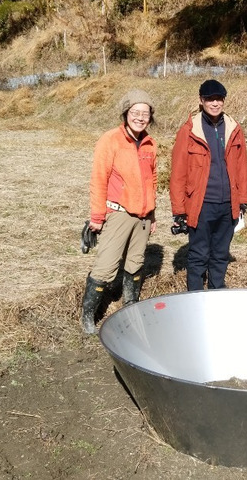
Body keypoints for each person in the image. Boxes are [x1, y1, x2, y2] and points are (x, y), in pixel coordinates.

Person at [81, 89, 158, 334]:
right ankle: (88, 316)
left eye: (145, 113)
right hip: (119, 213)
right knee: (106, 267)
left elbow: (152, 180)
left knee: (135, 264)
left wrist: (152, 214)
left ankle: (130, 306)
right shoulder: (110, 140)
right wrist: (97, 217)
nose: (140, 118)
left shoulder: (150, 143)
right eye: (135, 112)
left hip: (143, 217)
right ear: (126, 113)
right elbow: (98, 179)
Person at [170, 79, 247, 290]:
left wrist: (242, 199)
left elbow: (242, 167)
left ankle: (217, 293)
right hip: (201, 203)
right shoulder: (189, 130)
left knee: (221, 254)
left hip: (228, 203)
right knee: (198, 254)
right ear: (201, 100)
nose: (215, 103)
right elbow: (178, 172)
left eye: (219, 99)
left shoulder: (234, 129)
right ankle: (195, 297)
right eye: (210, 99)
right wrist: (179, 209)